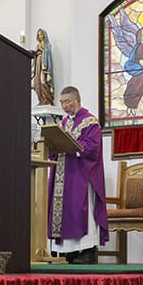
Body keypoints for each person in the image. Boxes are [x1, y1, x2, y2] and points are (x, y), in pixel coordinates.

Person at [47, 86, 109, 264]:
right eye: (62, 102)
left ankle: (87, 250)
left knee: (80, 210)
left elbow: (93, 148)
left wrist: (72, 146)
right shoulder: (62, 124)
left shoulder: (90, 122)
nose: (65, 106)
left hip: (80, 175)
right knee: (64, 211)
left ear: (78, 100)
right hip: (62, 173)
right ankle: (69, 252)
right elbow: (54, 146)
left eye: (68, 101)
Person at [31, 28, 55, 106]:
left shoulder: (47, 44)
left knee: (43, 81)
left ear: (44, 35)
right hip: (38, 62)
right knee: (37, 83)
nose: (40, 36)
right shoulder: (37, 45)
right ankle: (41, 100)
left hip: (44, 64)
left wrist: (43, 50)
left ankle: (47, 100)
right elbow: (35, 53)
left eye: (41, 34)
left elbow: (48, 53)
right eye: (39, 35)